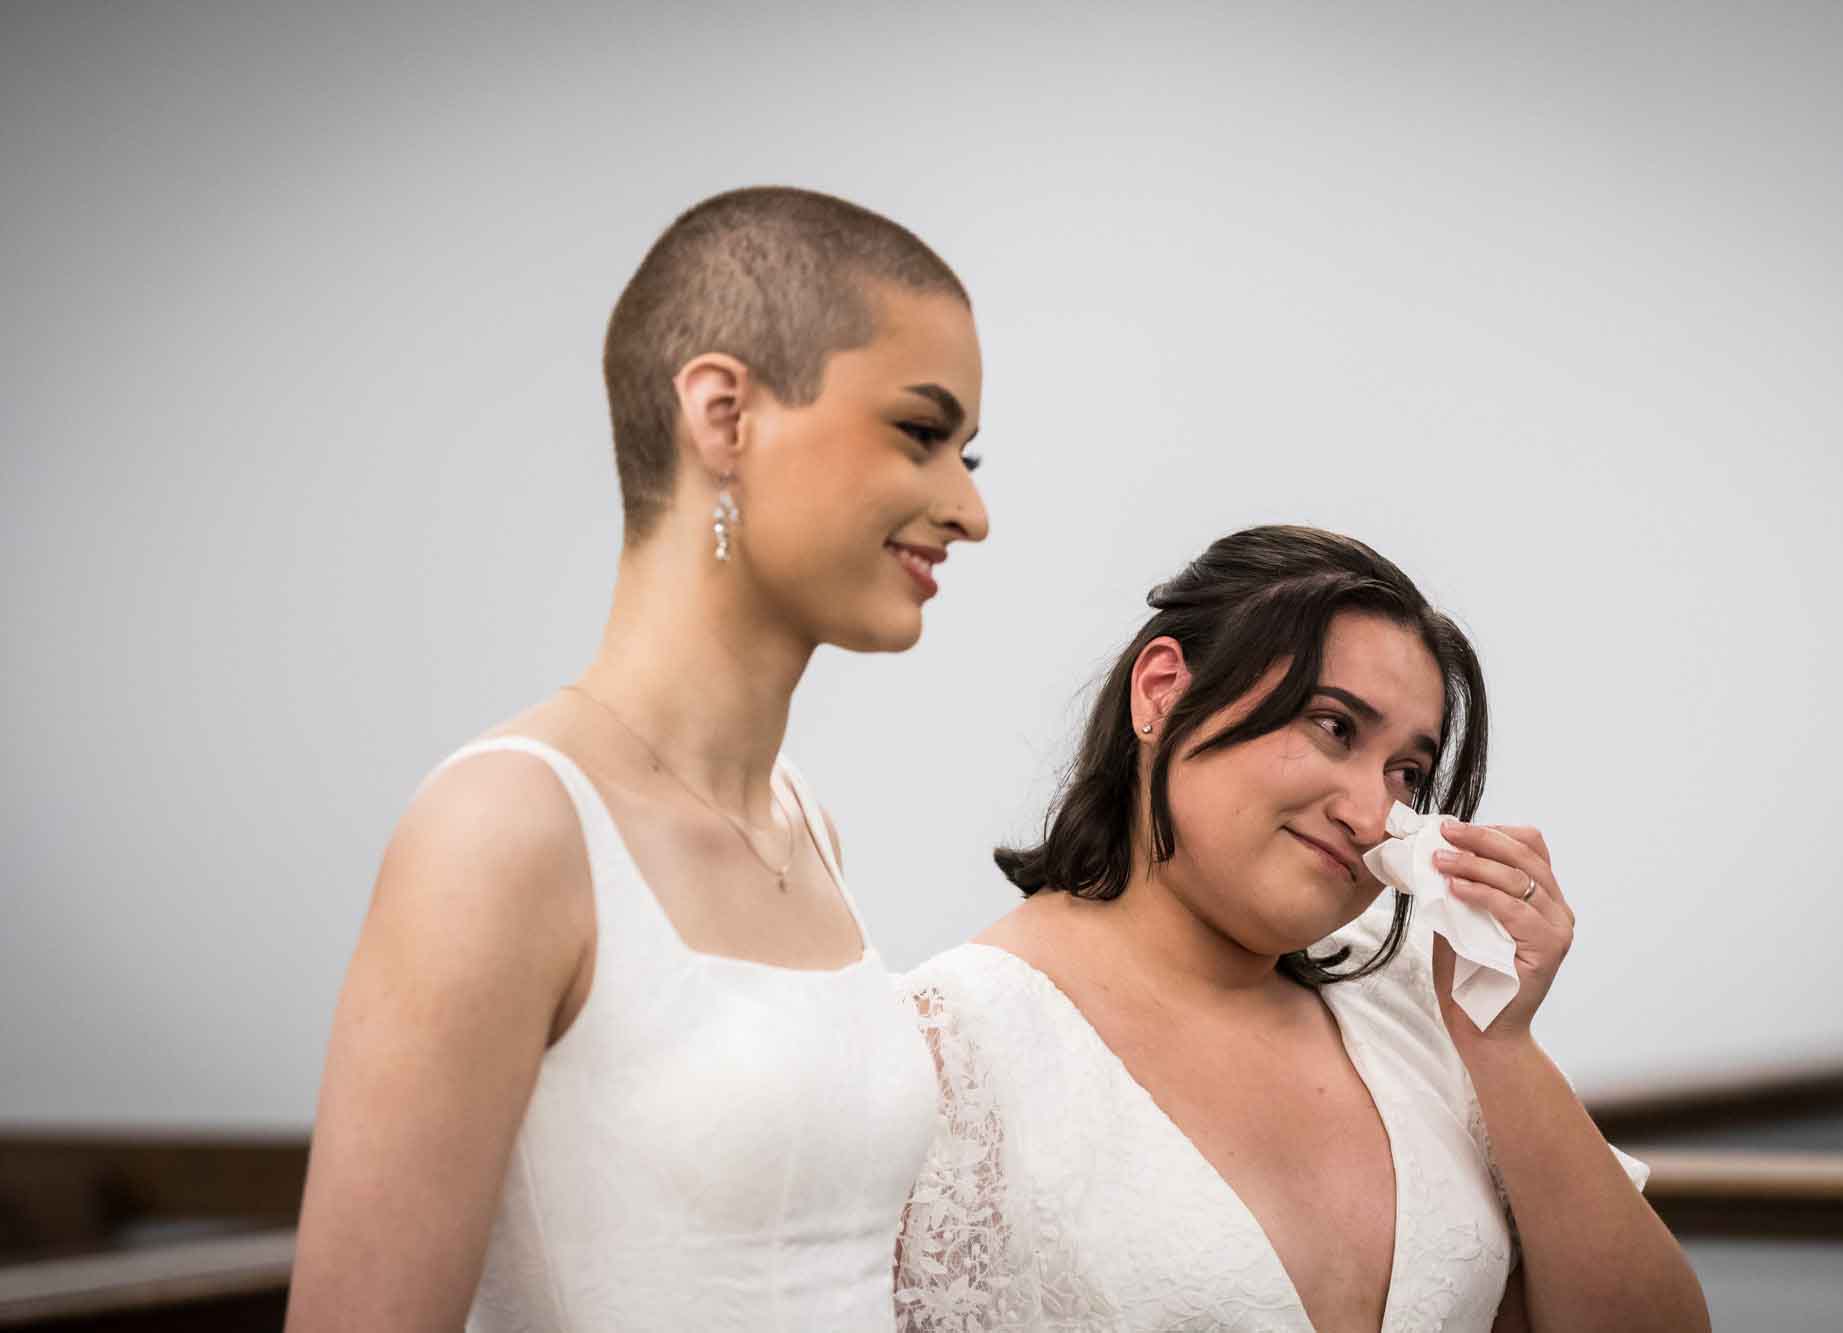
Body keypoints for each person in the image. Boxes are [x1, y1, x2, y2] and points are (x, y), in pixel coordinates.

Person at [288, 186, 990, 1330]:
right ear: (723, 414)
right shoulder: (505, 829)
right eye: (920, 433)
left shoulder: (804, 823)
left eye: (967, 451)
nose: (968, 510)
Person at [894, 527, 1707, 1332]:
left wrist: (1502, 1043)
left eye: (1407, 774)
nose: (1368, 813)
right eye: (1334, 726)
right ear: (1162, 689)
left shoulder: (1411, 1004)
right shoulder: (945, 1045)